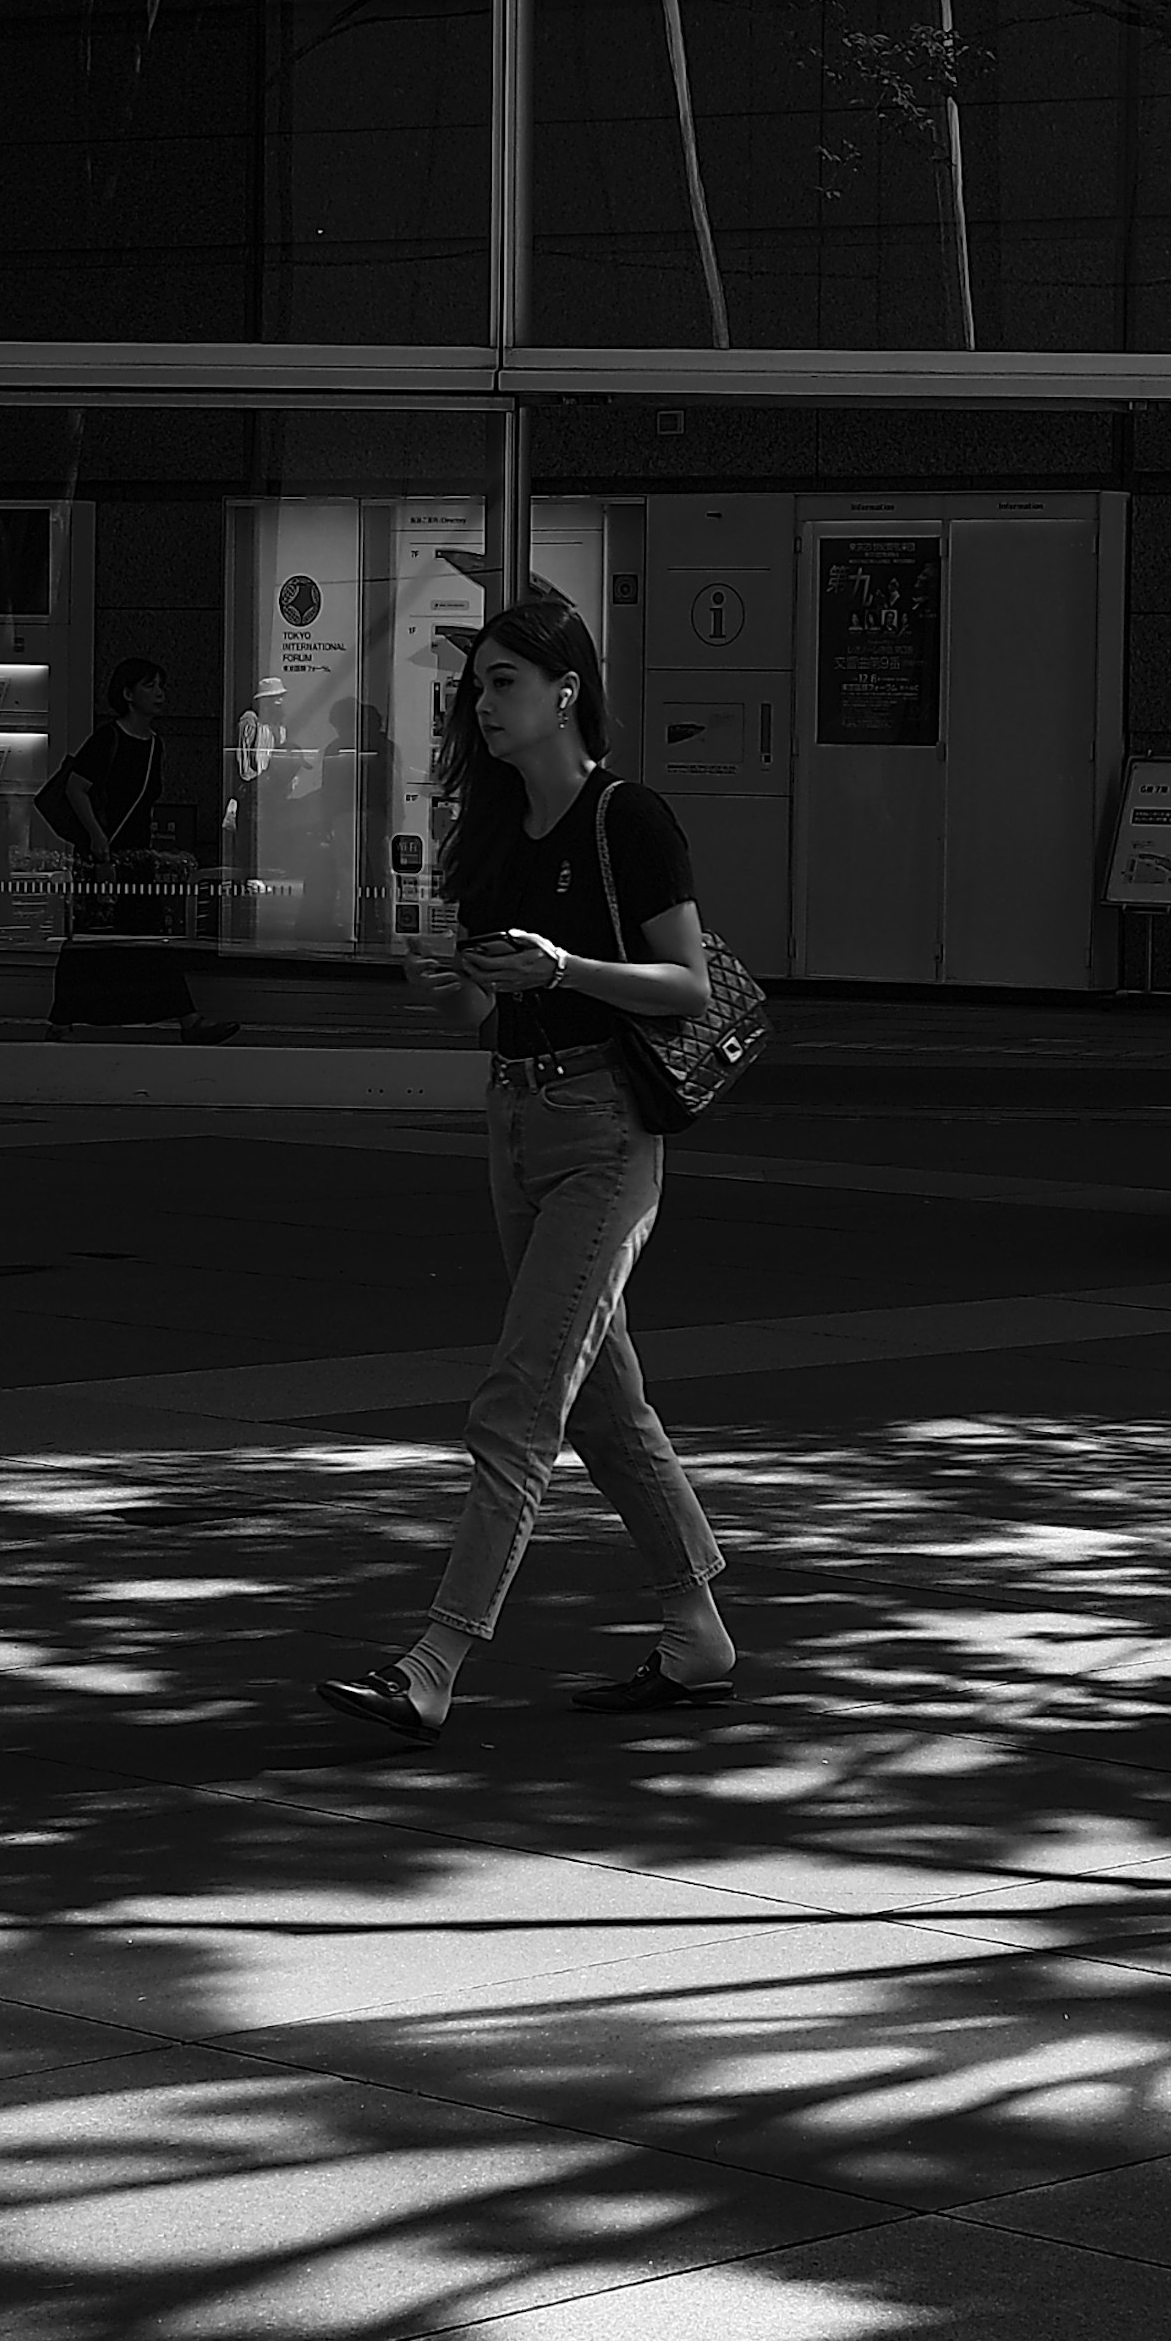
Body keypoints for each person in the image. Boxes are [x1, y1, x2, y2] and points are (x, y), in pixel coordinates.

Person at [323, 585, 737, 1739]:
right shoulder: (495, 829)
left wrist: (563, 967)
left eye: (504, 681)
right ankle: (697, 1631)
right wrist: (451, 984)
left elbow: (688, 984)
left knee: (518, 1399)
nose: (484, 705)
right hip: (514, 1121)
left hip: (609, 1132)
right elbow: (477, 1014)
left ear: (566, 688)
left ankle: (437, 1659)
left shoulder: (628, 818)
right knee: (600, 1399)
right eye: (476, 687)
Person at [37, 656, 192, 1028]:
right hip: (102, 854)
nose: (159, 693)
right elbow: (77, 787)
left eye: (160, 685)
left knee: (144, 936)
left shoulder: (155, 744)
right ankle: (65, 1018)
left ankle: (187, 1017)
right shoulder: (108, 738)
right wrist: (97, 836)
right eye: (149, 686)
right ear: (127, 694)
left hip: (136, 857)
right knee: (94, 937)